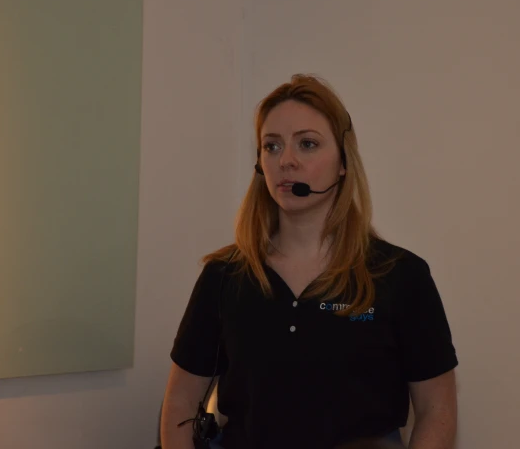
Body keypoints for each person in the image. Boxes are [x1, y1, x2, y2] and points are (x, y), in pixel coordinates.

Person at [160, 74, 458, 449]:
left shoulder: (400, 276)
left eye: (307, 144)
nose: (286, 160)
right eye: (271, 146)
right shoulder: (224, 276)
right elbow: (181, 403)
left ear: (344, 162)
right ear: (259, 165)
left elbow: (437, 410)